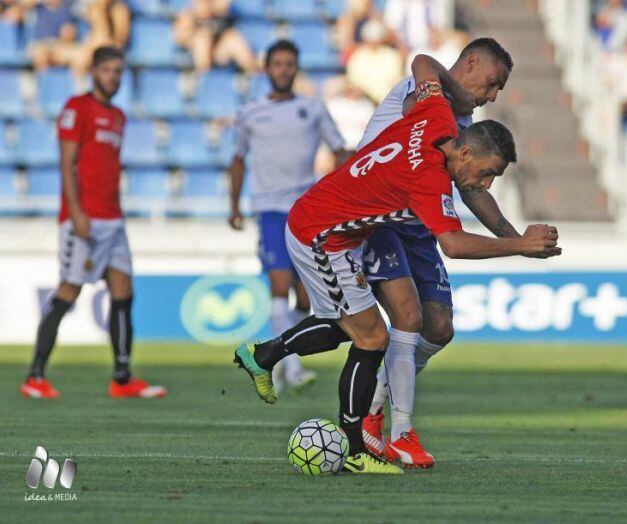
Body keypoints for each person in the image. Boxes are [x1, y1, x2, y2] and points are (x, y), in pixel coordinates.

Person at [232, 59, 561, 474]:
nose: (486, 184)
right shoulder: (427, 180)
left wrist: (455, 94)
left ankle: (263, 355)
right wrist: (518, 245)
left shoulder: (436, 112)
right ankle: (354, 451)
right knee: (371, 338)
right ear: (464, 152)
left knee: (350, 326)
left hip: (336, 230)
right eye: (487, 173)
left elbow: (422, 63)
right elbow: (454, 245)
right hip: (320, 234)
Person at [356, 38, 528, 468]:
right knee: (408, 318)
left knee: (439, 327)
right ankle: (399, 432)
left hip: (416, 223)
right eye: (492, 84)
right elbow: (423, 62)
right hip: (378, 216)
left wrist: (516, 239)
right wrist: (453, 93)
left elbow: (470, 189)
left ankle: (374, 408)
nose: (491, 96)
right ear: (471, 62)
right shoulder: (424, 96)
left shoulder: (464, 121)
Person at [20, 46, 167, 400]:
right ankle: (35, 377)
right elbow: (67, 165)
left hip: (113, 220)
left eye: (118, 71)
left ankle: (122, 377)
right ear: (94, 72)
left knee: (123, 293)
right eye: (107, 71)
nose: (113, 77)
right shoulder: (76, 108)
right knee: (68, 292)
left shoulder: (118, 115)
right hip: (83, 220)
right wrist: (77, 213)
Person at [228, 40, 347, 393]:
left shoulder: (312, 108)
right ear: (266, 68)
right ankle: (292, 369)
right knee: (279, 286)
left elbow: (340, 151)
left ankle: (273, 358)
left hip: (306, 210)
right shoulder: (251, 112)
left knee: (306, 299)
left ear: (296, 68)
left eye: (288, 64)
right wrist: (234, 205)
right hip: (269, 209)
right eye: (277, 63)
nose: (282, 70)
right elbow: (237, 159)